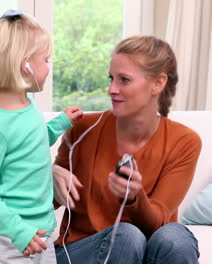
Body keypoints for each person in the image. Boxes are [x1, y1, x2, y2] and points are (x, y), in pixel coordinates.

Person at [52, 35, 202, 264]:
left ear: (158, 83)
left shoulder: (184, 141)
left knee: (176, 238)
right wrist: (47, 174)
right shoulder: (82, 128)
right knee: (125, 236)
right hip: (82, 251)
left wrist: (134, 197)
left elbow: (158, 223)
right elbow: (41, 204)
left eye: (124, 80)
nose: (112, 89)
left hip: (144, 247)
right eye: (111, 78)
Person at [0, 10, 83, 264]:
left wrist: (60, 123)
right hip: (11, 239)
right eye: (46, 60)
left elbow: (32, 142)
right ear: (26, 65)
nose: (49, 68)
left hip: (42, 231)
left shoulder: (27, 106)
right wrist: (18, 231)